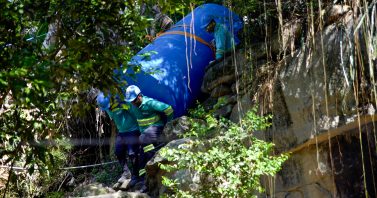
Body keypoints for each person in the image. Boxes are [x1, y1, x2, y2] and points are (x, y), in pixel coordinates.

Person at [124, 85, 174, 192]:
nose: (132, 103)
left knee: (143, 140)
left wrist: (169, 126)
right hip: (144, 134)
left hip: (157, 128)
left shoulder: (150, 102)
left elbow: (168, 109)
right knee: (138, 153)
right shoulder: (133, 106)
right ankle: (141, 179)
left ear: (139, 96)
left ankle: (154, 162)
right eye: (131, 101)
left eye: (133, 100)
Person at [96, 92, 141, 189]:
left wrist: (140, 129)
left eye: (108, 106)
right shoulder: (107, 107)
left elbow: (135, 113)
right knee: (118, 151)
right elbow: (114, 118)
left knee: (132, 153)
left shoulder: (123, 102)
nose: (108, 109)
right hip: (122, 132)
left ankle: (136, 176)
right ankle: (126, 173)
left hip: (133, 130)